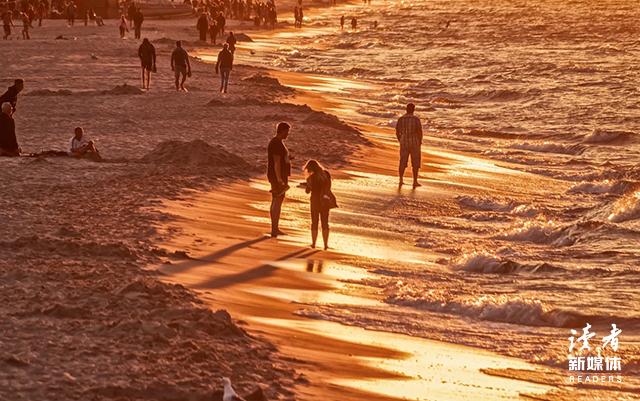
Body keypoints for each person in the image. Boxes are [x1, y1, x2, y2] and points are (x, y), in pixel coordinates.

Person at [267, 122, 291, 238]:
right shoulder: (276, 143)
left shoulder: (278, 143)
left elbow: (280, 159)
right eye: (287, 131)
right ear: (282, 131)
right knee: (277, 200)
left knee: (276, 200)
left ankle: (275, 228)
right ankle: (274, 229)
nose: (288, 134)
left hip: (277, 175)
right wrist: (280, 179)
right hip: (278, 176)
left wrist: (287, 158)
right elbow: (276, 162)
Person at [304, 160, 334, 250]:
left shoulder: (311, 178)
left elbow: (307, 191)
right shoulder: (326, 174)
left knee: (314, 223)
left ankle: (313, 244)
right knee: (325, 223)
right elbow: (328, 188)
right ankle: (325, 244)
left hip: (315, 201)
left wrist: (306, 184)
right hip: (325, 201)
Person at [395, 103, 423, 188]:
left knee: (402, 161)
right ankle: (414, 181)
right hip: (414, 142)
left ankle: (401, 179)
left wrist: (400, 140)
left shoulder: (401, 119)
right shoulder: (416, 119)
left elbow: (397, 131)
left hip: (404, 142)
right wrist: (420, 141)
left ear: (406, 109)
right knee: (415, 162)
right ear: (413, 109)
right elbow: (419, 132)